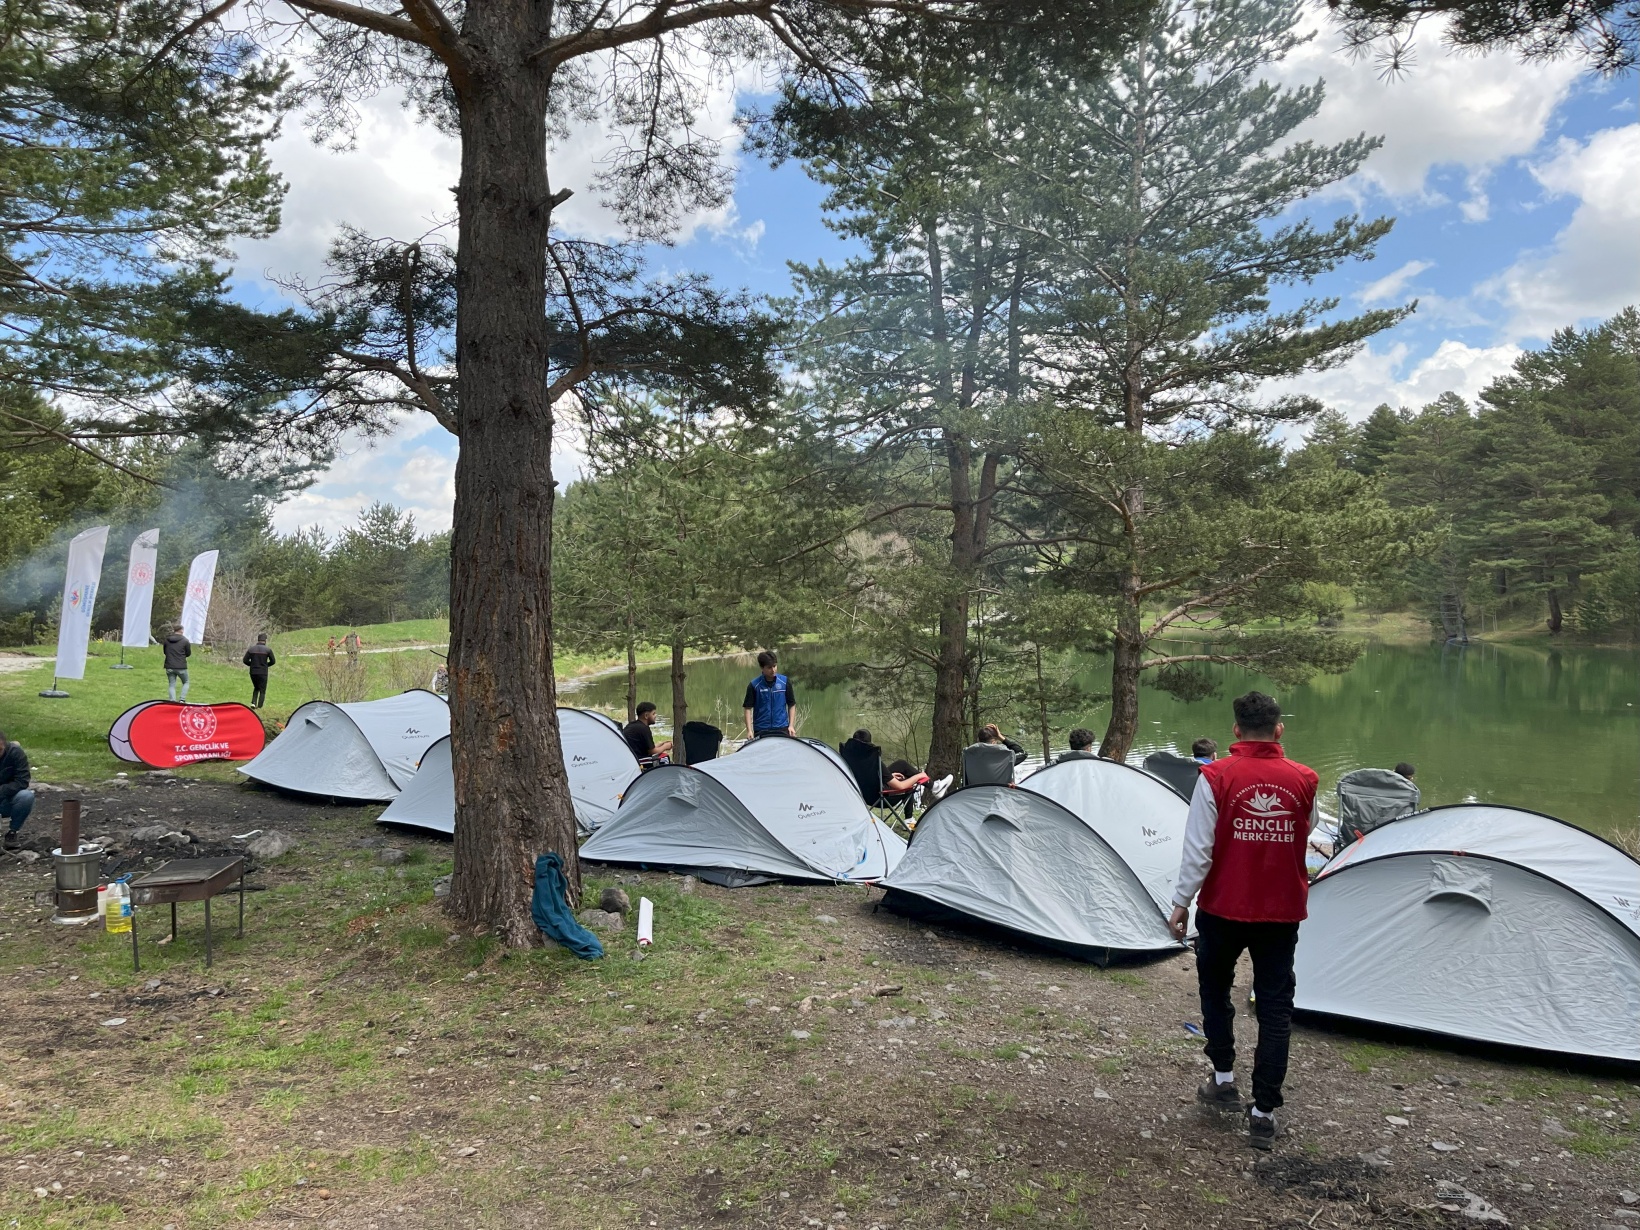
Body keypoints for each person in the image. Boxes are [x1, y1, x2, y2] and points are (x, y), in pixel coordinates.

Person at [1167, 691, 1320, 1151]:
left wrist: (1180, 902)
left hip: (1223, 908)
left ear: (1235, 731)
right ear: (1279, 730)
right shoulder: (1305, 779)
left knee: (1215, 991)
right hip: (1281, 912)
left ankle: (1224, 1079)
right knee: (1276, 1008)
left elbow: (1198, 849)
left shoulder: (1215, 776)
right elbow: (1305, 828)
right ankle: (1264, 1113)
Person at [742, 651, 796, 740]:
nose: (773, 670)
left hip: (781, 728)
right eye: (769, 667)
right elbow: (747, 708)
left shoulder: (785, 682)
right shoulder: (754, 685)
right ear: (762, 668)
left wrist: (791, 726)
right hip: (761, 729)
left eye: (774, 666)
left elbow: (792, 704)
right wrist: (749, 731)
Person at [0, 729, 33, 852]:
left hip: (8, 798)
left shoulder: (15, 753)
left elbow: (22, 781)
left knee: (26, 797)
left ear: (4, 744)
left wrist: (2, 790)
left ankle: (12, 833)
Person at [243, 633, 276, 708]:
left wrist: (252, 665)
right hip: (263, 672)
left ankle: (253, 703)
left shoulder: (251, 649)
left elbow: (245, 660)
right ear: (265, 640)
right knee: (262, 690)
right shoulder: (268, 650)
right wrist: (266, 665)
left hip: (253, 672)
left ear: (258, 640)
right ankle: (260, 706)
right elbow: (273, 661)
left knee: (256, 687)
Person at [161, 623, 191, 701]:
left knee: (171, 685)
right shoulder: (185, 641)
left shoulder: (167, 640)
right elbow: (188, 653)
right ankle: (182, 699)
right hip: (181, 666)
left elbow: (165, 651)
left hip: (169, 665)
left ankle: (172, 700)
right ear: (181, 631)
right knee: (186, 682)